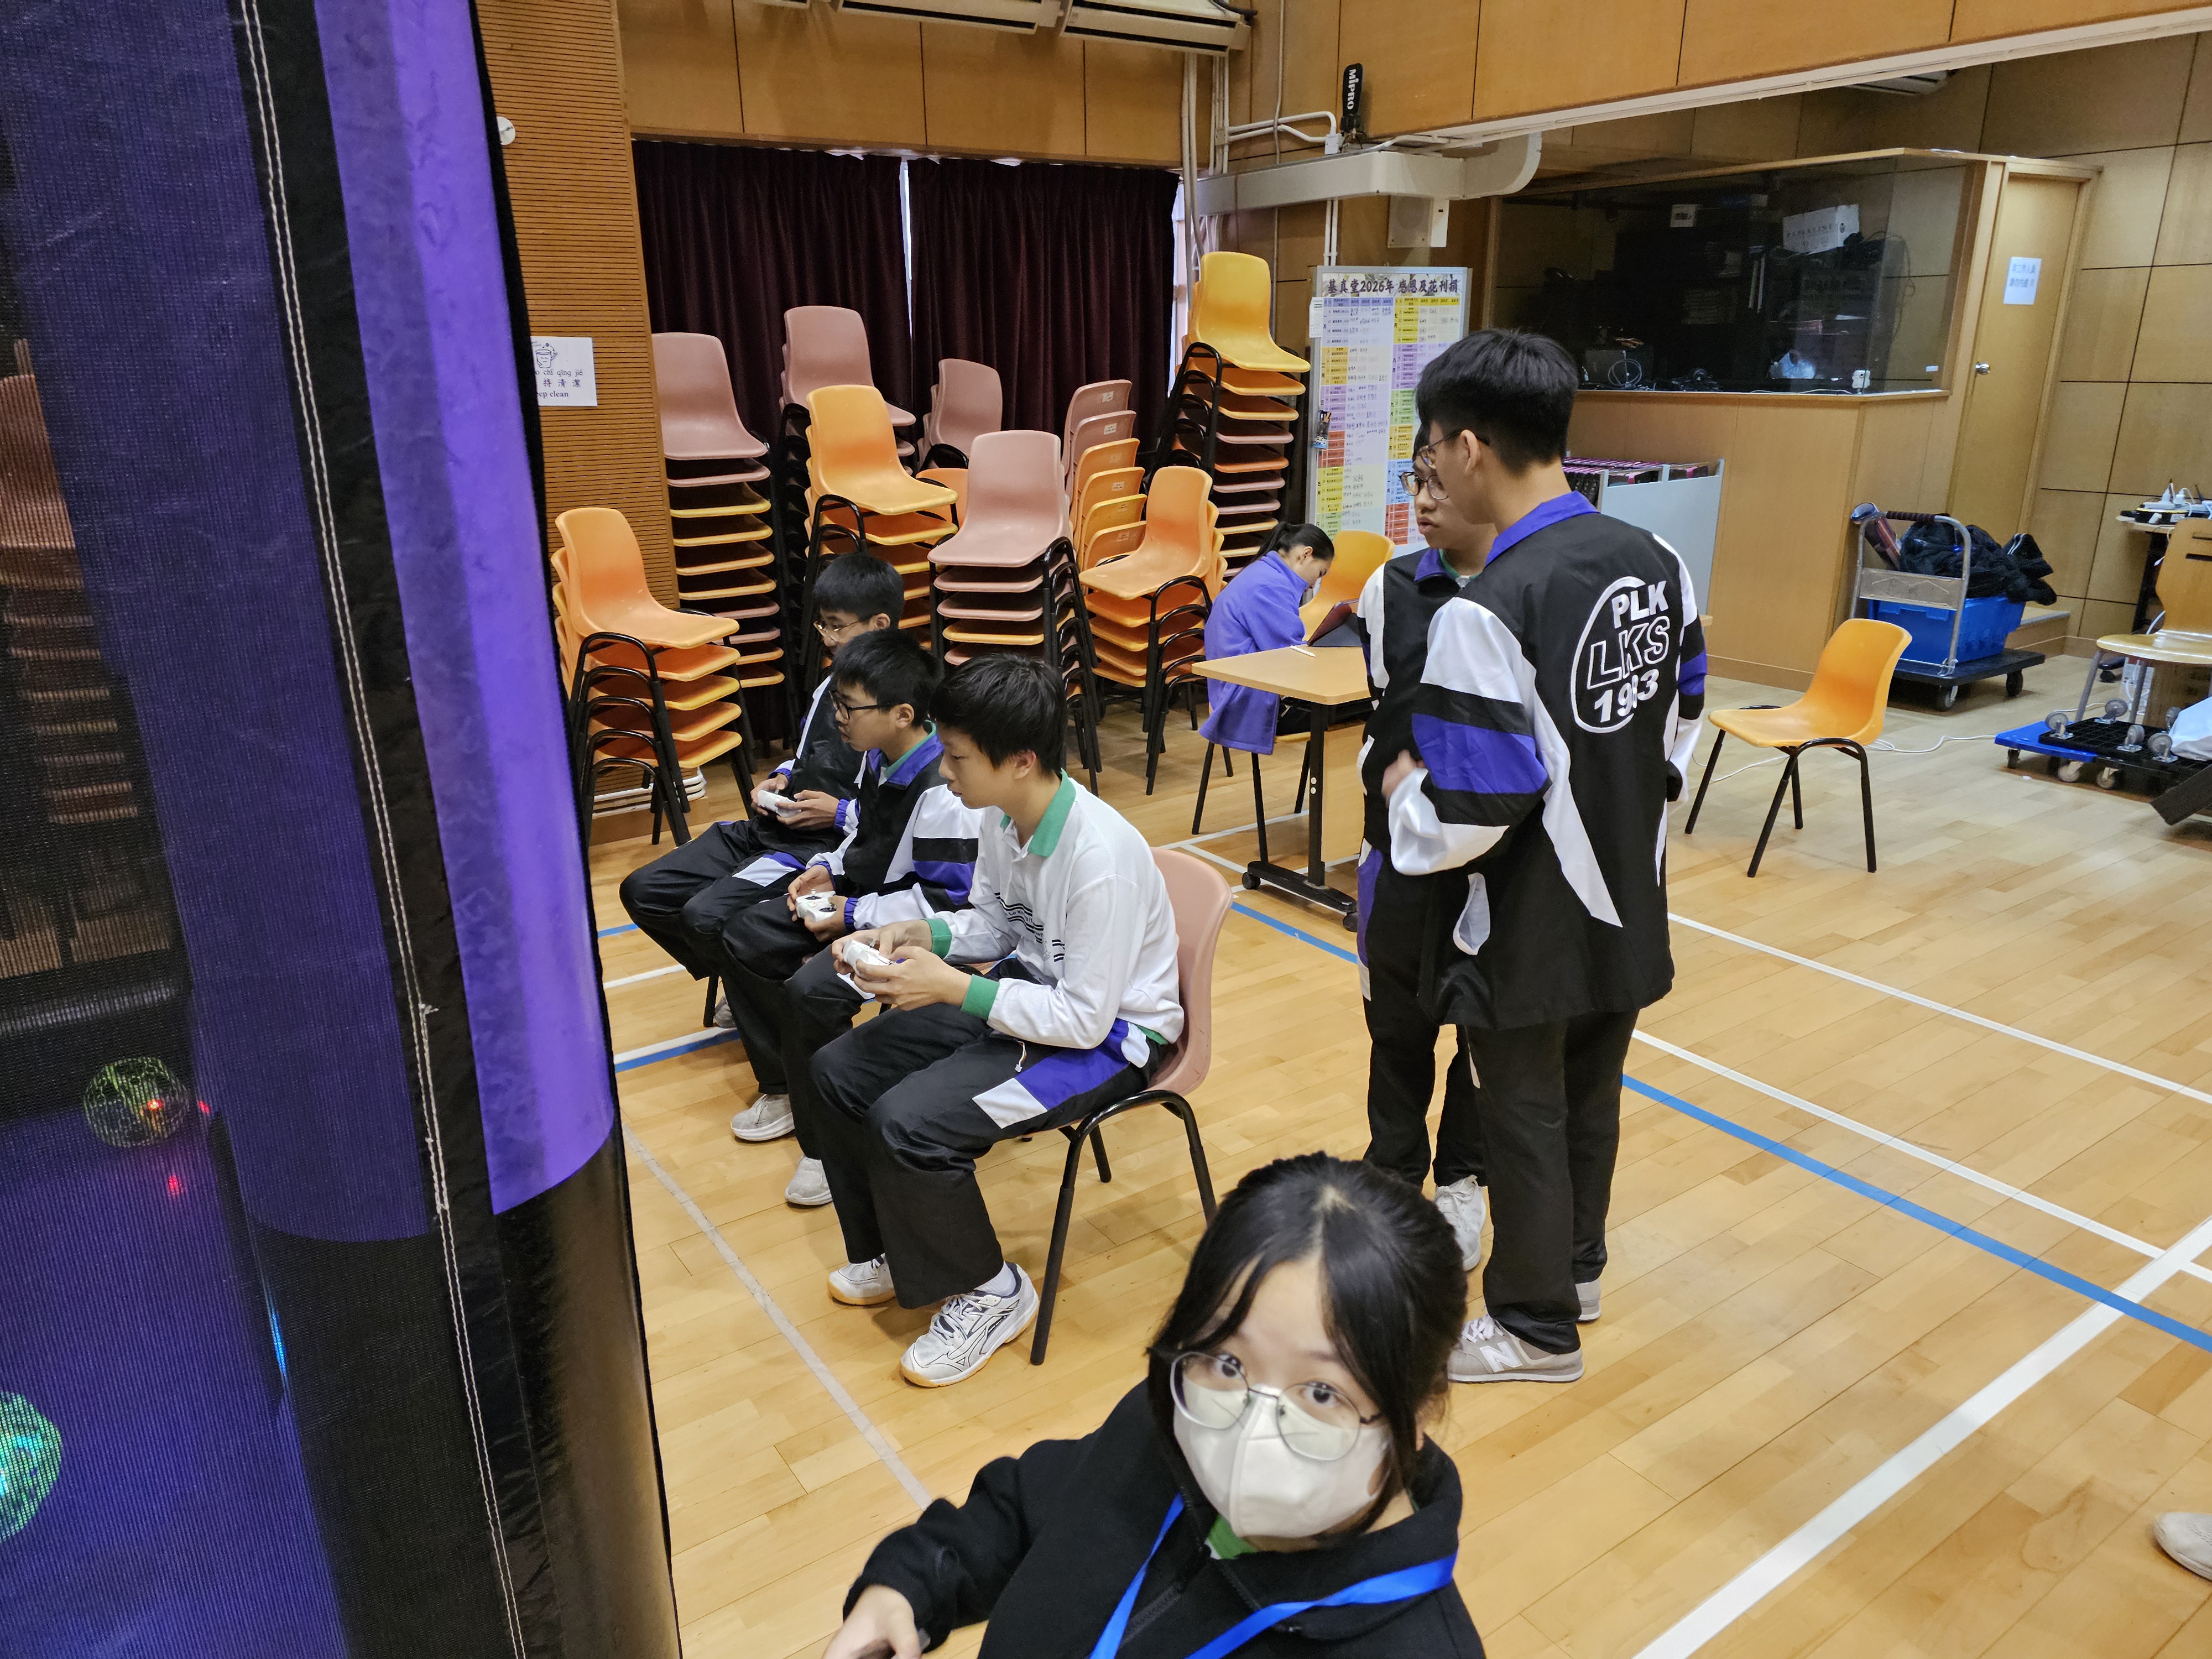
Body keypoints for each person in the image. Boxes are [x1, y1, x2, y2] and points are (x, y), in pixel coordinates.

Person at [1379, 329, 1705, 1385]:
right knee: (1591, 1097)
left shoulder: (1488, 608)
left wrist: (1401, 794)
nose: (1435, 470)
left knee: (1519, 1113)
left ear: (1469, 447)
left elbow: (1473, 809)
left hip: (1527, 920)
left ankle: (1533, 1328)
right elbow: (1684, 715)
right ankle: (1578, 1271)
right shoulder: (1659, 561)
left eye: (1435, 450)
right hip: (1632, 895)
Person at [822, 1154, 1482, 1659]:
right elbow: (1025, 1507)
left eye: (1321, 1393)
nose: (1250, 1427)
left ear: (1420, 1411)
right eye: (1229, 1362)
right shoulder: (1167, 1422)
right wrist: (908, 1586)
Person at [812, 655, 1183, 1387]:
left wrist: (954, 990)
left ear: (1019, 762)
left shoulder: (1100, 859)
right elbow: (995, 923)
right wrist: (923, 935)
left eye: (957, 757)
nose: (945, 770)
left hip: (1113, 1041)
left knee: (909, 1123)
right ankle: (895, 1244)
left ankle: (993, 1292)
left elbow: (1084, 1020)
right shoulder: (1003, 815)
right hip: (1033, 994)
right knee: (840, 1070)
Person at [717, 630, 984, 1206]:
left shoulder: (945, 792)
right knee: (744, 935)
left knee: (811, 992)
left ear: (902, 714)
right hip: (864, 902)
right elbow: (861, 832)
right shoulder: (876, 755)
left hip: (908, 927)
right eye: (836, 702)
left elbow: (949, 905)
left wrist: (855, 913)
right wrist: (827, 869)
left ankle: (827, 1146)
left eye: (848, 706)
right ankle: (786, 1087)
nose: (837, 717)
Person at [615, 554, 904, 1016]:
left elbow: (897, 816)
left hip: (815, 848)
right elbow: (809, 751)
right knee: (644, 890)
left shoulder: (896, 708)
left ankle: (759, 981)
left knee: (703, 916)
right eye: (822, 626)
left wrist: (837, 813)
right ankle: (753, 977)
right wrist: (783, 774)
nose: (827, 638)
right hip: (768, 827)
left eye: (837, 626)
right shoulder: (830, 684)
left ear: (879, 625)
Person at [1352, 465, 1496, 1269]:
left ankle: (1464, 1178)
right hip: (1398, 854)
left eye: (1442, 481)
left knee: (1481, 1034)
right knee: (1395, 1031)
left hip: (1495, 864)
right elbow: (1385, 702)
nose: (1425, 500)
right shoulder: (1391, 585)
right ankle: (1393, 1170)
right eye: (1418, 480)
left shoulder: (1528, 584)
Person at [1198, 524, 1335, 758]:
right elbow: (1291, 656)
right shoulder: (1270, 587)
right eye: (1320, 573)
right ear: (1306, 555)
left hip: (1237, 691)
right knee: (1358, 708)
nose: (1314, 584)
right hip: (1246, 702)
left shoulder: (1263, 573)